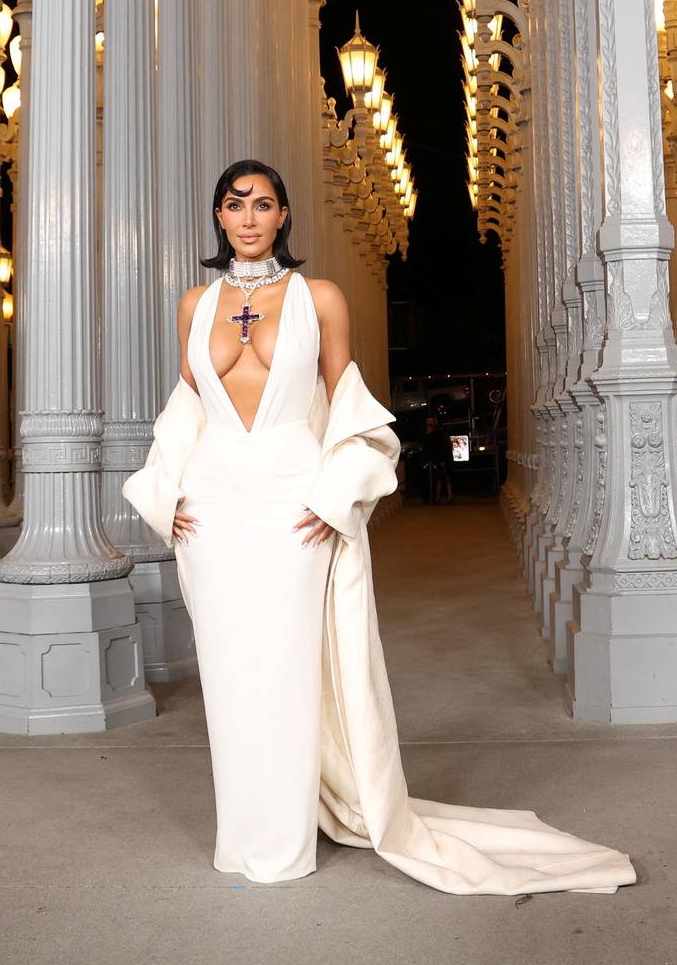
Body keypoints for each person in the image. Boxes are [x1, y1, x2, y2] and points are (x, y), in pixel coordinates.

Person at [124, 160, 636, 895]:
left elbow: (351, 405)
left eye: (263, 203)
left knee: (290, 667)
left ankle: (286, 840)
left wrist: (334, 498)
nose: (247, 216)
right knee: (229, 673)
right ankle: (241, 834)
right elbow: (188, 404)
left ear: (284, 215)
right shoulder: (194, 304)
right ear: (217, 215)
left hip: (293, 504)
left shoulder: (319, 297)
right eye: (234, 204)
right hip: (213, 510)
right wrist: (162, 489)